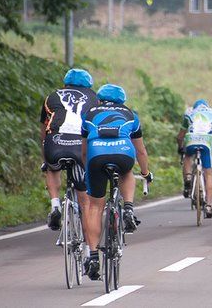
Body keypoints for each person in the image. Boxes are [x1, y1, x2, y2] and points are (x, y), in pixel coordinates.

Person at [81, 84, 152, 281]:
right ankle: (128, 208)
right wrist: (145, 173)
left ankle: (94, 257)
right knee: (127, 171)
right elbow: (141, 151)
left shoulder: (89, 113)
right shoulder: (130, 114)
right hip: (123, 152)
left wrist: (88, 169)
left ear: (100, 99)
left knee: (95, 207)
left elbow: (84, 151)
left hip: (96, 155)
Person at [40, 68, 98, 232]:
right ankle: (89, 251)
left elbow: (43, 132)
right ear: (89, 85)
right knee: (85, 201)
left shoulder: (51, 97)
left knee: (52, 168)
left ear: (65, 83)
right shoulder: (94, 98)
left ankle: (55, 205)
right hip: (80, 144)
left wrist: (46, 158)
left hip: (55, 141)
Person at [177, 99, 212, 218]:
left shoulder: (189, 113)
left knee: (187, 156)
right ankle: (208, 206)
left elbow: (180, 136)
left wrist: (180, 147)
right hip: (207, 141)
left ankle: (187, 178)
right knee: (209, 174)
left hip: (191, 139)